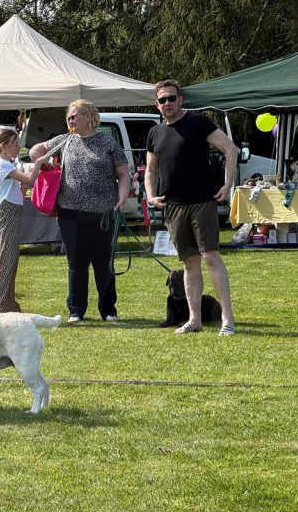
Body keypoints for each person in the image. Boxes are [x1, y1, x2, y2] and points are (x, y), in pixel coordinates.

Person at [144, 79, 237, 336]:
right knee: (189, 263)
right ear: (157, 104)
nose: (167, 103)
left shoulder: (199, 123)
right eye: (162, 100)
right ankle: (194, 320)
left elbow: (230, 149)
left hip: (202, 202)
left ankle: (227, 320)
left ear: (181, 99)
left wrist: (227, 184)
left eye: (171, 98)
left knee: (210, 257)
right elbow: (150, 170)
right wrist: (151, 195)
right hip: (173, 205)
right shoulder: (155, 133)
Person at [29, 99, 130, 323]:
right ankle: (76, 311)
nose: (71, 119)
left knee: (104, 263)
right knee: (76, 262)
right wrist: (39, 157)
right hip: (70, 212)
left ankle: (108, 310)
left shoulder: (107, 141)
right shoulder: (64, 141)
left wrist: (122, 198)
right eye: (69, 116)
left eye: (75, 114)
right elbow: (37, 149)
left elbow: (123, 173)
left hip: (104, 211)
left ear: (89, 117)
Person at [0, 128, 47, 313]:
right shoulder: (3, 165)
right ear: (3, 147)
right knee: (5, 262)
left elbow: (22, 190)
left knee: (11, 261)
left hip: (13, 212)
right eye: (14, 145)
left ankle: (8, 305)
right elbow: (29, 178)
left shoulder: (8, 164)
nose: (18, 148)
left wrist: (27, 178)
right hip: (5, 215)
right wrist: (38, 163)